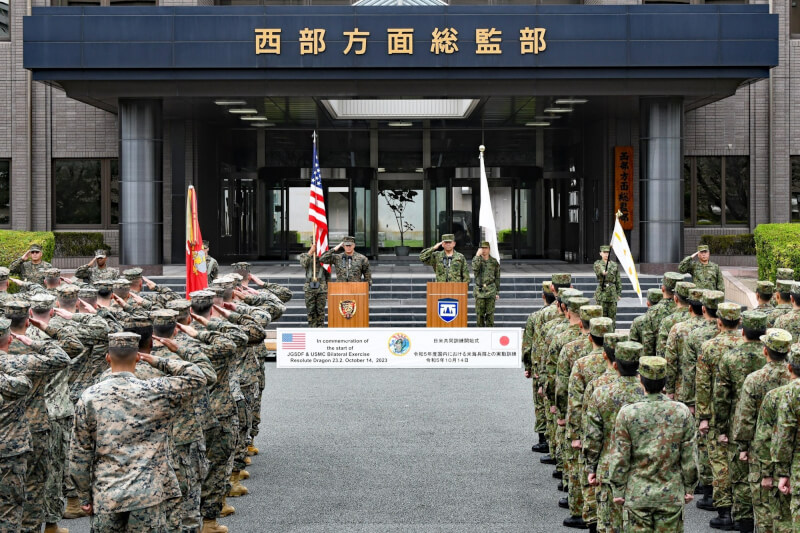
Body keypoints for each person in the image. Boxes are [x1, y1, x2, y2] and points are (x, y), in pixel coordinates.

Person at [70, 332, 207, 533]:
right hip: (149, 492)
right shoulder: (156, 391)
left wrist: (84, 495)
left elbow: (79, 453)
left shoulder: (89, 397)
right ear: (138, 357)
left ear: (108, 357)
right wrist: (156, 360)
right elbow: (197, 376)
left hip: (108, 491)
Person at [608, 356, 698, 533]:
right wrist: (690, 486)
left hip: (637, 494)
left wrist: (617, 488)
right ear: (665, 382)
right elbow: (689, 455)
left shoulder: (628, 413)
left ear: (640, 380)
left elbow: (621, 455)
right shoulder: (681, 412)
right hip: (670, 494)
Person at [714, 311, 769, 533]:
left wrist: (720, 428)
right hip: (773, 428)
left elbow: (721, 398)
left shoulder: (730, 357)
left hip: (738, 424)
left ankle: (744, 522)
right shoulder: (780, 364)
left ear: (743, 330)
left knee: (741, 477)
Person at [583, 339, 644, 533]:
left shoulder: (601, 394)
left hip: (608, 468)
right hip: (643, 470)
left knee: (610, 526)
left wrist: (590, 466)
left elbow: (593, 436)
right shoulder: (648, 394)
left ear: (615, 365)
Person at [299, 243, 330, 328]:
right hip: (309, 287)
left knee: (320, 311)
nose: (316, 246)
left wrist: (328, 289)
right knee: (311, 311)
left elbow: (328, 275)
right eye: (314, 244)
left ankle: (320, 331)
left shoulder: (324, 258)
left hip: (322, 287)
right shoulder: (305, 256)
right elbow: (303, 264)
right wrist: (311, 251)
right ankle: (312, 330)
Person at [472, 241, 500, 327]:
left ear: (489, 249)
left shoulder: (494, 262)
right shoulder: (476, 260)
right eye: (482, 248)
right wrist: (477, 255)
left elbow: (497, 277)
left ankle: (490, 333)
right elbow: (475, 269)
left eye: (485, 248)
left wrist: (497, 292)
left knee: (490, 315)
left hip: (490, 290)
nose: (484, 250)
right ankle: (480, 334)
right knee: (479, 315)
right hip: (479, 291)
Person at [593, 245, 622, 324]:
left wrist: (619, 293)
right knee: (601, 317)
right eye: (604, 252)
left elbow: (618, 279)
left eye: (607, 253)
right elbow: (598, 269)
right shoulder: (598, 263)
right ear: (600, 253)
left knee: (612, 317)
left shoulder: (614, 265)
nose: (606, 254)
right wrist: (602, 272)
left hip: (612, 293)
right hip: (602, 293)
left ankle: (611, 334)